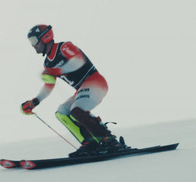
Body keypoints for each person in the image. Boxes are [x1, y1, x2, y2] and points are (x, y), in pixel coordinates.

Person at [21, 24, 125, 158]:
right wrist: (35, 101)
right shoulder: (48, 63)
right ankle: (90, 142)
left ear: (45, 37)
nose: (33, 45)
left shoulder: (64, 47)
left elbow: (78, 62)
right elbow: (49, 85)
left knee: (76, 110)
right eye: (31, 42)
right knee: (62, 112)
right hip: (82, 90)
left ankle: (109, 140)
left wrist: (57, 71)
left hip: (95, 82)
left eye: (34, 41)